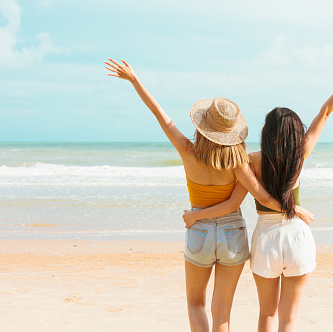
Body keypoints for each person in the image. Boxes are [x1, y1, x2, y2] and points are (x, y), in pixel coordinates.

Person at [104, 58, 313, 332]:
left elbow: (161, 116)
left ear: (202, 125)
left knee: (195, 304)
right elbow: (238, 202)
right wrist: (292, 208)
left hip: (200, 233)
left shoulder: (188, 153)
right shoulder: (239, 161)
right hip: (233, 234)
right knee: (222, 312)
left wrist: (135, 81)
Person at [183, 53, 333, 331]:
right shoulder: (301, 153)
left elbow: (250, 197)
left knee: (267, 315)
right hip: (297, 237)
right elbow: (326, 111)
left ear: (265, 132)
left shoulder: (250, 160)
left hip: (266, 239)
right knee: (289, 318)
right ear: (296, 132)